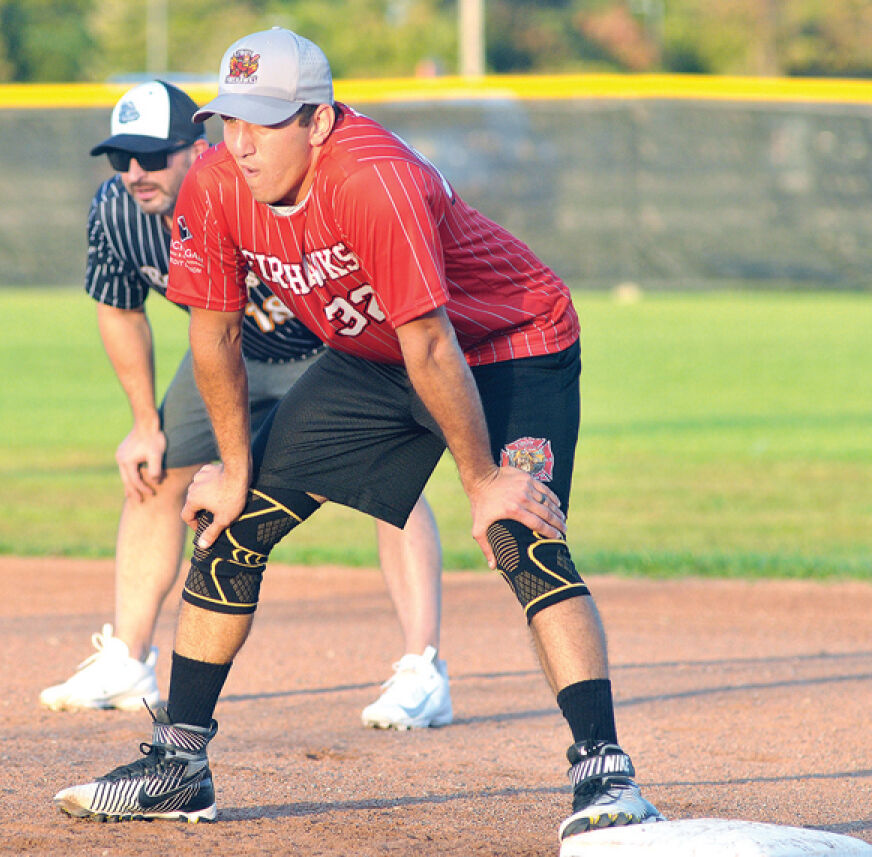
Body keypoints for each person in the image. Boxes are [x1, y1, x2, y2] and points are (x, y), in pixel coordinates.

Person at [53, 31, 666, 841]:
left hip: (510, 343)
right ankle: (178, 764)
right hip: (373, 356)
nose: (241, 143)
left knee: (523, 533)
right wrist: (234, 467)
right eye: (230, 119)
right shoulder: (213, 182)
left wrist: (482, 480)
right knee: (231, 525)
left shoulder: (374, 180)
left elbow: (434, 344)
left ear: (318, 121)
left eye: (264, 122)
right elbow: (215, 334)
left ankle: (606, 776)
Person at [39, 79, 451, 731]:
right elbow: (120, 310)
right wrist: (144, 423)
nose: (135, 174)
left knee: (388, 484)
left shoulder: (244, 189)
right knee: (155, 469)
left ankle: (422, 668)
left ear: (196, 149)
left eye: (152, 156)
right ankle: (127, 656)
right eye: (122, 159)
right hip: (230, 355)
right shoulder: (117, 212)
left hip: (332, 347)